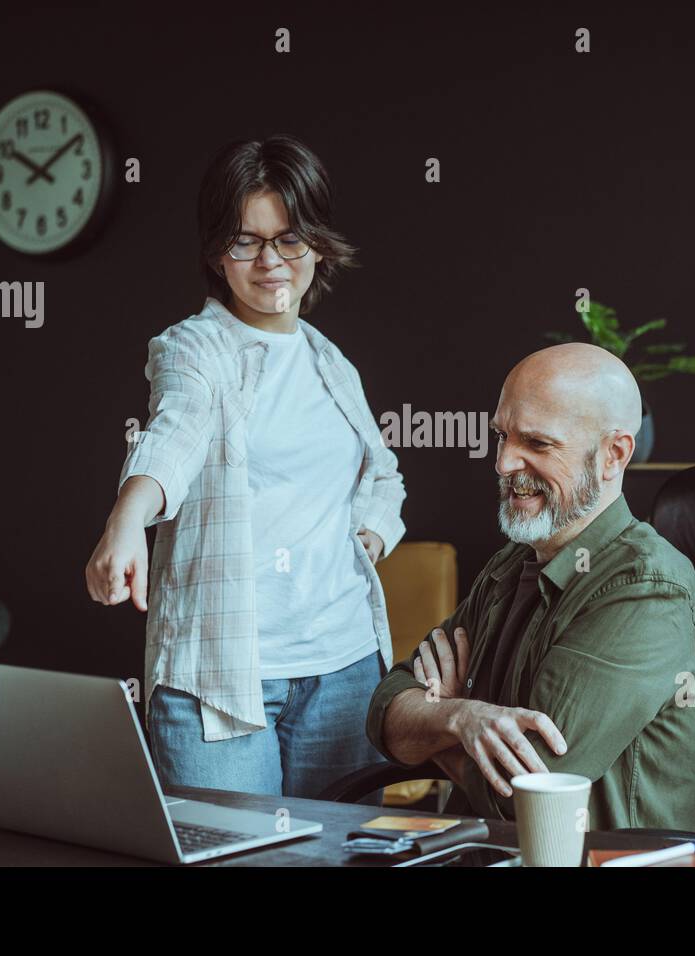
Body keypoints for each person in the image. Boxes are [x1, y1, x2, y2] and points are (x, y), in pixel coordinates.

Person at [86, 135, 405, 802]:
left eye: (289, 239)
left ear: (316, 243)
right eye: (245, 241)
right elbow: (175, 433)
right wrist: (127, 520)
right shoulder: (192, 349)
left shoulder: (330, 362)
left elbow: (384, 475)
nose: (269, 262)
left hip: (346, 670)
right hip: (223, 673)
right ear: (214, 251)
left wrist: (366, 536)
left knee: (341, 858)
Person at [365, 342, 695, 831]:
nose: (504, 463)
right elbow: (383, 713)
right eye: (502, 436)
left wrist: (434, 719)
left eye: (538, 444)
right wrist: (461, 717)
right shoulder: (512, 562)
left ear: (613, 455)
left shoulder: (646, 590)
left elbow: (527, 796)